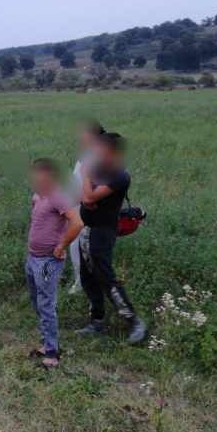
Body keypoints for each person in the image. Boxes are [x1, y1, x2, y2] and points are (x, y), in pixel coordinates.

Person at [75, 132, 147, 344]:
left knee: (105, 276)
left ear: (113, 152)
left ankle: (134, 321)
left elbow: (88, 197)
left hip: (103, 231)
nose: (96, 153)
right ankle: (96, 322)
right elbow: (85, 200)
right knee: (88, 277)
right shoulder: (99, 168)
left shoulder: (119, 175)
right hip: (87, 229)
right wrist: (89, 194)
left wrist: (85, 176)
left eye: (101, 150)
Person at [26, 158, 84, 368]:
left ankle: (51, 354)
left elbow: (77, 222)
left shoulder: (57, 196)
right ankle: (45, 343)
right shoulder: (37, 196)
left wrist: (61, 246)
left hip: (48, 261)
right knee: (37, 301)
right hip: (32, 258)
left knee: (46, 304)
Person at [68, 121, 104, 294]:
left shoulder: (102, 156)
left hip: (91, 207)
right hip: (78, 205)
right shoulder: (87, 154)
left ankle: (88, 283)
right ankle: (81, 279)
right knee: (77, 244)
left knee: (87, 246)